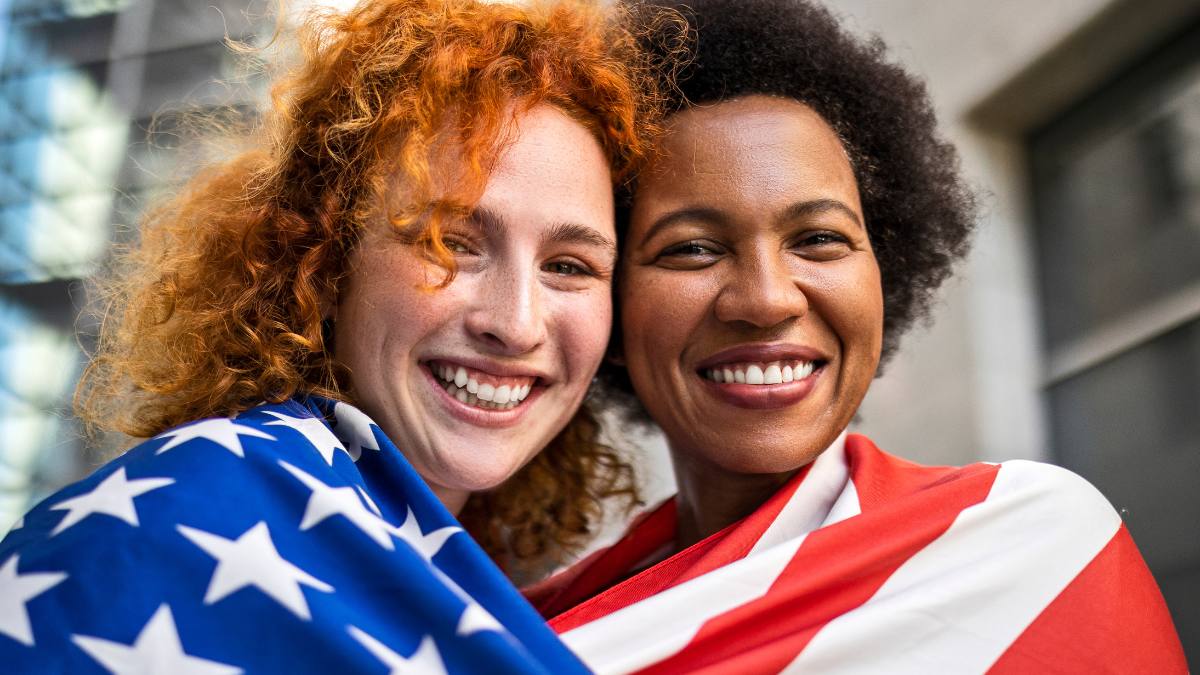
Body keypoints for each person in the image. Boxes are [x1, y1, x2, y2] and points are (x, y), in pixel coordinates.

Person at [0, 0, 673, 672]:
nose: (517, 322)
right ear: (329, 254)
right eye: (452, 243)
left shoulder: (497, 595)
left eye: (568, 266)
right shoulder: (164, 529)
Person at [526, 0, 1189, 672]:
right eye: (692, 249)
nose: (766, 299)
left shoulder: (1034, 554)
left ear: (884, 268)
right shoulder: (528, 631)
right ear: (606, 300)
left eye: (818, 239)